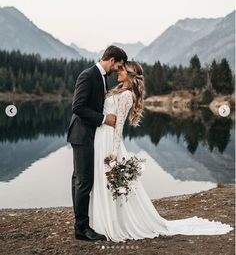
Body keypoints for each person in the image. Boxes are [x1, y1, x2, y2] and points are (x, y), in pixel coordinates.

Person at [88, 60, 234, 242]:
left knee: (112, 182)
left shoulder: (126, 95)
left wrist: (114, 152)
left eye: (122, 70)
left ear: (131, 75)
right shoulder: (118, 89)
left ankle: (116, 224)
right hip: (100, 137)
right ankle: (102, 220)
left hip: (110, 141)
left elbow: (119, 127)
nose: (118, 71)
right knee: (103, 181)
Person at [67, 45, 128, 241]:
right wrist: (103, 119)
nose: (118, 70)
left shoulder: (101, 77)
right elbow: (78, 107)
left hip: (88, 135)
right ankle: (82, 229)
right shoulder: (88, 75)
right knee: (84, 181)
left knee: (80, 179)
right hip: (81, 134)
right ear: (111, 60)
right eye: (118, 66)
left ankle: (81, 223)